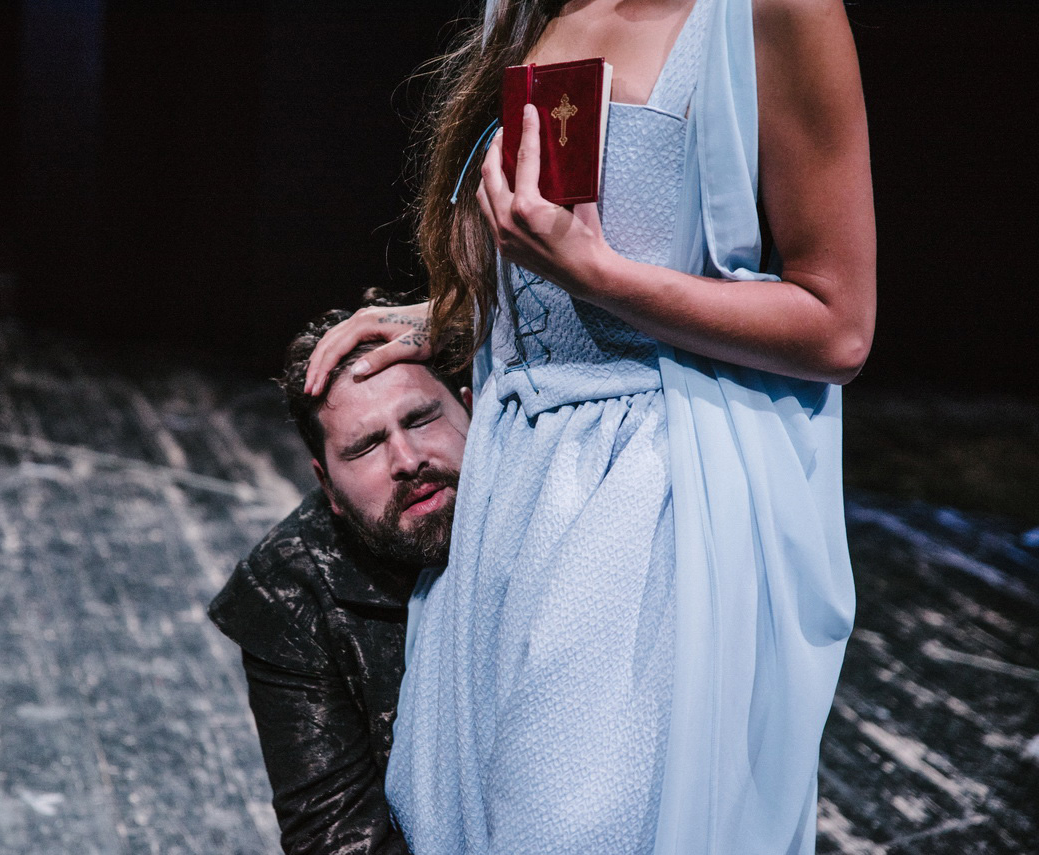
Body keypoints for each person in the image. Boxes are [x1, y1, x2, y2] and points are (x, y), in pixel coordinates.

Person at [303, 0, 875, 852]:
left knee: (571, 822)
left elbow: (839, 326)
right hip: (517, 481)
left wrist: (597, 275)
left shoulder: (768, 11)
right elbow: (550, 252)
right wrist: (455, 313)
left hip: (650, 493)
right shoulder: (529, 9)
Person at [209, 296, 472, 855]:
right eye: (366, 446)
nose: (408, 459)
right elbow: (335, 836)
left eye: (421, 419)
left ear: (471, 408)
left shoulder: (559, 509)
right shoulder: (288, 588)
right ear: (326, 484)